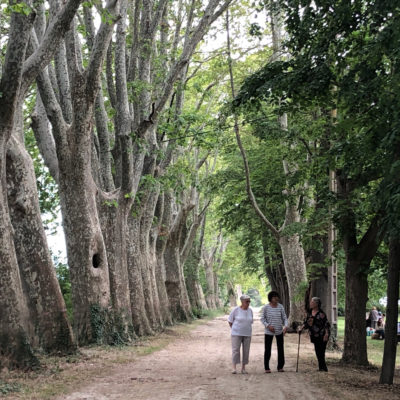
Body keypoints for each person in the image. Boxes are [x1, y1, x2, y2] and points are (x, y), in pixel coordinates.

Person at [299, 297, 330, 372]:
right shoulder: (310, 313)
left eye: (312, 302)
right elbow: (306, 323)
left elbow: (326, 324)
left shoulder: (321, 314)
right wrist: (301, 328)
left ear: (316, 304)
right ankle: (321, 367)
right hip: (314, 335)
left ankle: (324, 368)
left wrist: (326, 334)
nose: (310, 304)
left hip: (322, 335)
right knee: (317, 351)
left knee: (321, 351)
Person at [260, 291, 288, 373]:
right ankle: (267, 367)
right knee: (268, 349)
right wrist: (268, 326)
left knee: (281, 349)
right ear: (270, 299)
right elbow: (262, 319)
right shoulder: (266, 307)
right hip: (269, 331)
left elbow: (284, 318)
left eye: (277, 296)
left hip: (279, 331)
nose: (276, 298)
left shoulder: (280, 307)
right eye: (274, 297)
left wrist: (285, 326)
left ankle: (280, 367)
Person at [227, 294, 253, 374]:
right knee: (236, 350)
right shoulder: (236, 310)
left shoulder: (250, 310)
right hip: (236, 333)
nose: (248, 303)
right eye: (246, 301)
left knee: (246, 351)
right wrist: (235, 329)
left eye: (249, 301)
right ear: (242, 302)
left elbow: (251, 321)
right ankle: (234, 368)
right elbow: (230, 321)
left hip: (247, 334)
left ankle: (243, 368)